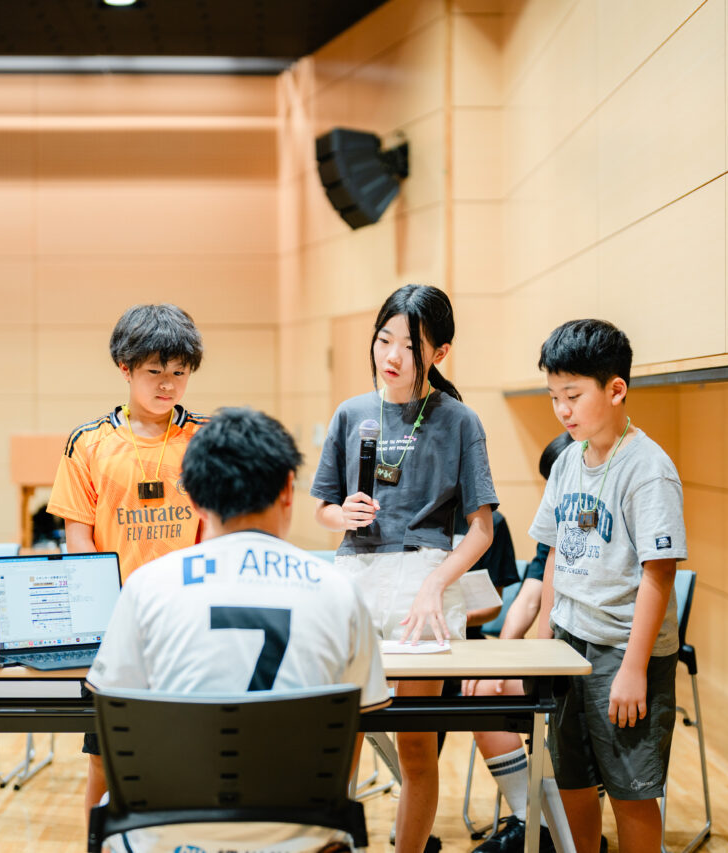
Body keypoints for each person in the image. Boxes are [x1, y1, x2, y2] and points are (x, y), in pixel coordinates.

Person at [86, 407, 390, 852]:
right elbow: (357, 719)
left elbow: (115, 705)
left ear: (192, 498)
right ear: (288, 489)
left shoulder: (146, 586)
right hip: (299, 834)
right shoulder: (339, 591)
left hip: (171, 831)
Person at [311, 284, 498, 853]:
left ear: (439, 353)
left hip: (425, 578)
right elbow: (322, 509)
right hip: (355, 577)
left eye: (410, 347)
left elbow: (482, 530)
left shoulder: (459, 421)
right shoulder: (351, 414)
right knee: (338, 738)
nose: (391, 356)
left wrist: (435, 585)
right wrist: (341, 513)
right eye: (384, 339)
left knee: (416, 746)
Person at [46, 302, 207, 818]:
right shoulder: (88, 443)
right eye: (155, 371)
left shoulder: (205, 439)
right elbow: (79, 538)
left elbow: (217, 530)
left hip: (190, 622)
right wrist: (106, 613)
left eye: (179, 372)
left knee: (190, 752)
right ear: (125, 368)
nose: (168, 384)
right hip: (117, 625)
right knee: (105, 759)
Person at [530, 319, 686, 853]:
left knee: (631, 793)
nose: (562, 410)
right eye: (554, 397)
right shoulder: (567, 462)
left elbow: (659, 572)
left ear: (616, 389)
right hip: (568, 641)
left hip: (622, 650)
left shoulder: (648, 469)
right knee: (571, 782)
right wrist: (547, 641)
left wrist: (634, 669)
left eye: (573, 396)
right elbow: (553, 555)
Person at [461, 433, 573, 853]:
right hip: (553, 653)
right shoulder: (554, 525)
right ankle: (533, 822)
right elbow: (528, 598)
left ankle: (569, 826)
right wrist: (502, 659)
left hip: (590, 654)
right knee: (484, 691)